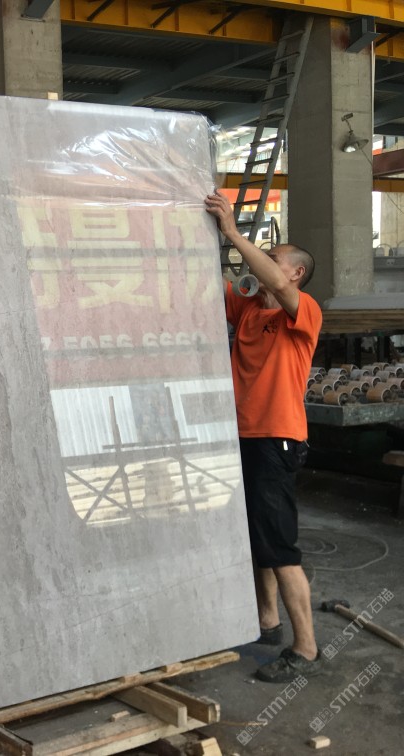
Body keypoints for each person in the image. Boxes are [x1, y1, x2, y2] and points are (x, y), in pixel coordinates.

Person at [204, 190, 322, 684]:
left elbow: (270, 279)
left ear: (295, 273)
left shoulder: (303, 312)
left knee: (279, 546)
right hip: (243, 435)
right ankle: (267, 621)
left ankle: (306, 648)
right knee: (256, 539)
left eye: (275, 258)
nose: (266, 263)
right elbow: (208, 281)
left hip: (277, 439)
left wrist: (233, 233)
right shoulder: (250, 310)